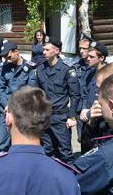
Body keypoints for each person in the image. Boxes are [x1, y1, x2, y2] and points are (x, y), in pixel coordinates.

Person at [35, 36, 80, 164]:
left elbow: (75, 95)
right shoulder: (40, 68)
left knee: (64, 151)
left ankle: (71, 179)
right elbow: (37, 92)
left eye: (47, 50)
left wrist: (72, 117)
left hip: (60, 118)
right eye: (43, 49)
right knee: (47, 150)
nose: (44, 52)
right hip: (44, 117)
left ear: (57, 51)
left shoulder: (67, 69)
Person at [0, 40, 37, 151]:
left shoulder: (30, 68)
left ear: (16, 52)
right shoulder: (2, 68)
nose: (6, 60)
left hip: (23, 111)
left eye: (8, 57)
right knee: (1, 142)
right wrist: (7, 105)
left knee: (22, 142)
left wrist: (17, 107)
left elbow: (30, 90)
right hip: (6, 109)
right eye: (4, 57)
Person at [79, 41, 108, 153]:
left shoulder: (108, 74)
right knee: (85, 150)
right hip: (87, 118)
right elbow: (84, 94)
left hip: (101, 120)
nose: (88, 58)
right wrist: (84, 109)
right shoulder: (89, 72)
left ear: (101, 58)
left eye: (92, 56)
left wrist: (91, 111)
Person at [74, 34, 93, 143]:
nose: (81, 51)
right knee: (81, 139)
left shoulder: (96, 67)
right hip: (79, 109)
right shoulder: (76, 67)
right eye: (80, 48)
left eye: (84, 48)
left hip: (92, 109)